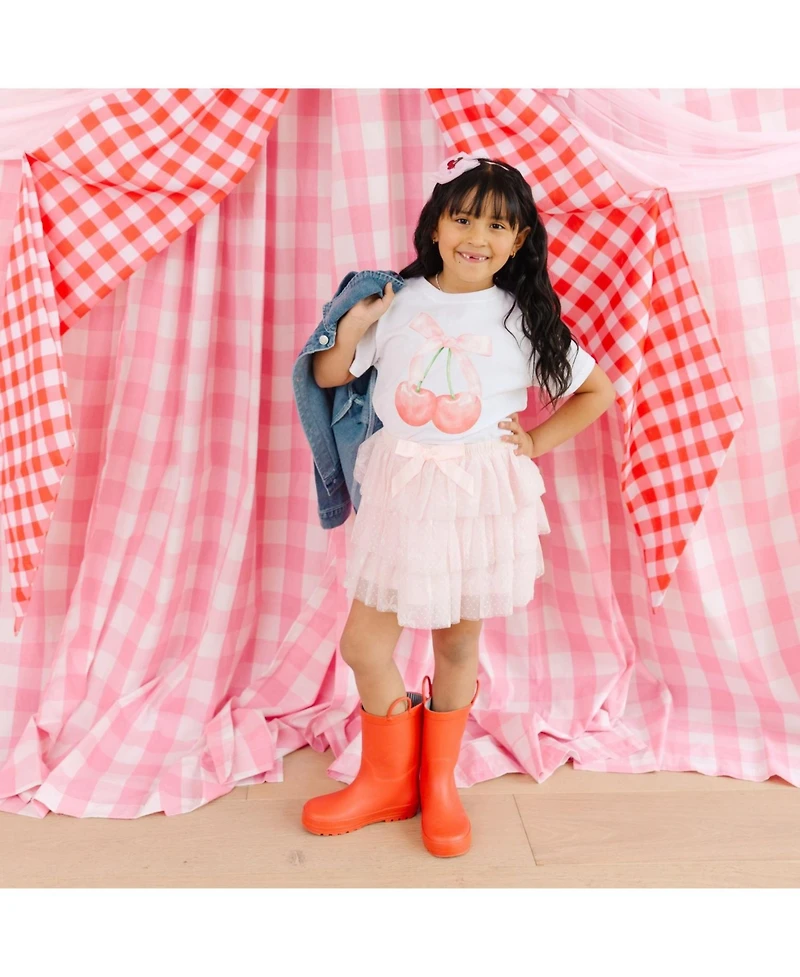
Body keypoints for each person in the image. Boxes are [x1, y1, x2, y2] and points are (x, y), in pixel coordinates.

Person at [302, 153, 616, 857]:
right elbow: (326, 373)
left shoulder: (522, 317)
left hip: (477, 494)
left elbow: (598, 393)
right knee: (364, 642)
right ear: (437, 224)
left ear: (519, 239)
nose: (477, 235)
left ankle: (436, 782)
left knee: (457, 639)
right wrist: (354, 326)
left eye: (497, 225)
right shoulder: (396, 299)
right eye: (463, 216)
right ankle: (388, 778)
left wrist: (535, 441)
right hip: (401, 485)